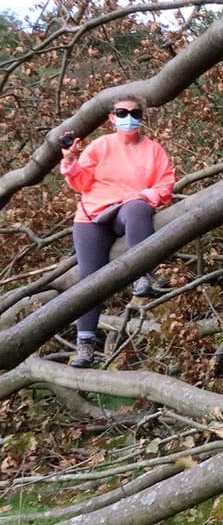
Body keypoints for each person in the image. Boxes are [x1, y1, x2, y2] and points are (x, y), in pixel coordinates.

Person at [59, 95, 175, 369]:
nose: (128, 117)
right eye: (122, 112)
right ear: (111, 118)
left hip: (128, 211)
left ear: (142, 117)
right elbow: (81, 183)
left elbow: (165, 185)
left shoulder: (153, 150)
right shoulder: (100, 146)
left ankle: (142, 276)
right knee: (91, 281)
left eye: (134, 113)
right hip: (93, 216)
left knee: (138, 207)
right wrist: (70, 159)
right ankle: (85, 345)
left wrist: (143, 196)